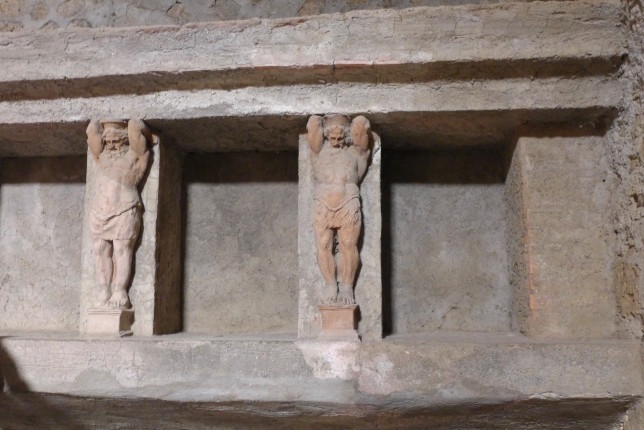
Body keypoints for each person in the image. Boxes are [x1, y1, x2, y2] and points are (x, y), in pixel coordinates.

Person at [86, 119, 151, 309]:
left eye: (116, 141)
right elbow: (91, 130)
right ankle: (103, 290)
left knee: (122, 250)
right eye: (108, 142)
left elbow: (136, 125)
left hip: (125, 207)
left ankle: (120, 291)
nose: (112, 146)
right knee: (100, 250)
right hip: (100, 211)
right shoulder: (102, 157)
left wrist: (146, 133)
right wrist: (103, 123)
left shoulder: (135, 155)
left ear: (125, 140)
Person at [307, 114, 372, 305]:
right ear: (326, 136)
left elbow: (361, 128)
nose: (336, 142)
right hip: (323, 202)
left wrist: (357, 124)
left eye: (340, 138)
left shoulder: (355, 154)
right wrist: (320, 121)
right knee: (324, 245)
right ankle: (330, 285)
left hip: (348, 201)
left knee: (348, 246)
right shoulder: (318, 152)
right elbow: (312, 125)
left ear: (347, 136)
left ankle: (347, 288)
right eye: (332, 138)